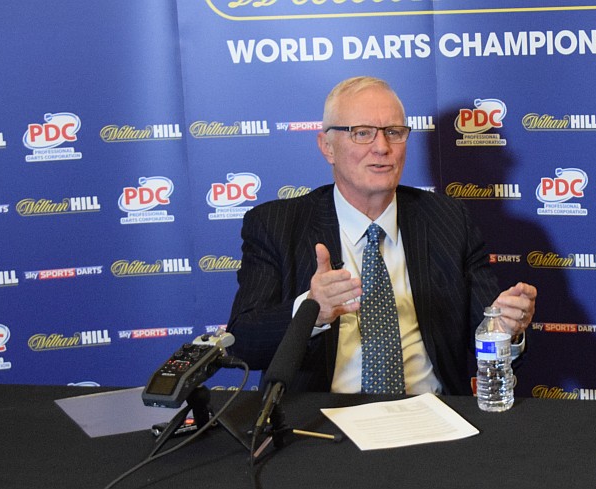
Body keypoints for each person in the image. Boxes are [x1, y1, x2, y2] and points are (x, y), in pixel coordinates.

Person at [227, 76, 536, 396]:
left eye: (394, 132)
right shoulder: (276, 225)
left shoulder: (449, 219)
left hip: (430, 411)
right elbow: (243, 343)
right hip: (322, 417)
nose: (382, 147)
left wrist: (505, 331)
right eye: (362, 133)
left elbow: (486, 332)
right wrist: (311, 311)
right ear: (327, 147)